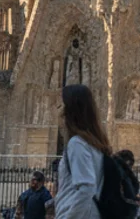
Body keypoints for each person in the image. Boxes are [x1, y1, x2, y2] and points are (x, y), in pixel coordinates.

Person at [58, 84, 111, 219]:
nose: (59, 112)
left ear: (70, 111)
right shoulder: (94, 145)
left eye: (62, 106)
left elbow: (87, 187)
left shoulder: (77, 144)